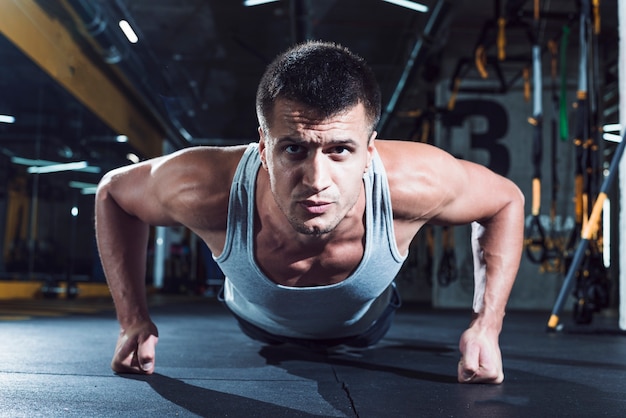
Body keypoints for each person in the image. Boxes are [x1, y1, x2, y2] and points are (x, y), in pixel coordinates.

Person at [95, 40, 524, 384]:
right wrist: (132, 322)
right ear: (263, 147)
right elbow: (113, 192)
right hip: (257, 324)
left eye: (340, 150)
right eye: (294, 149)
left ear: (370, 150)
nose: (317, 179)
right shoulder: (206, 188)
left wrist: (486, 326)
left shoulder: (417, 182)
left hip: (367, 327)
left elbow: (506, 200)